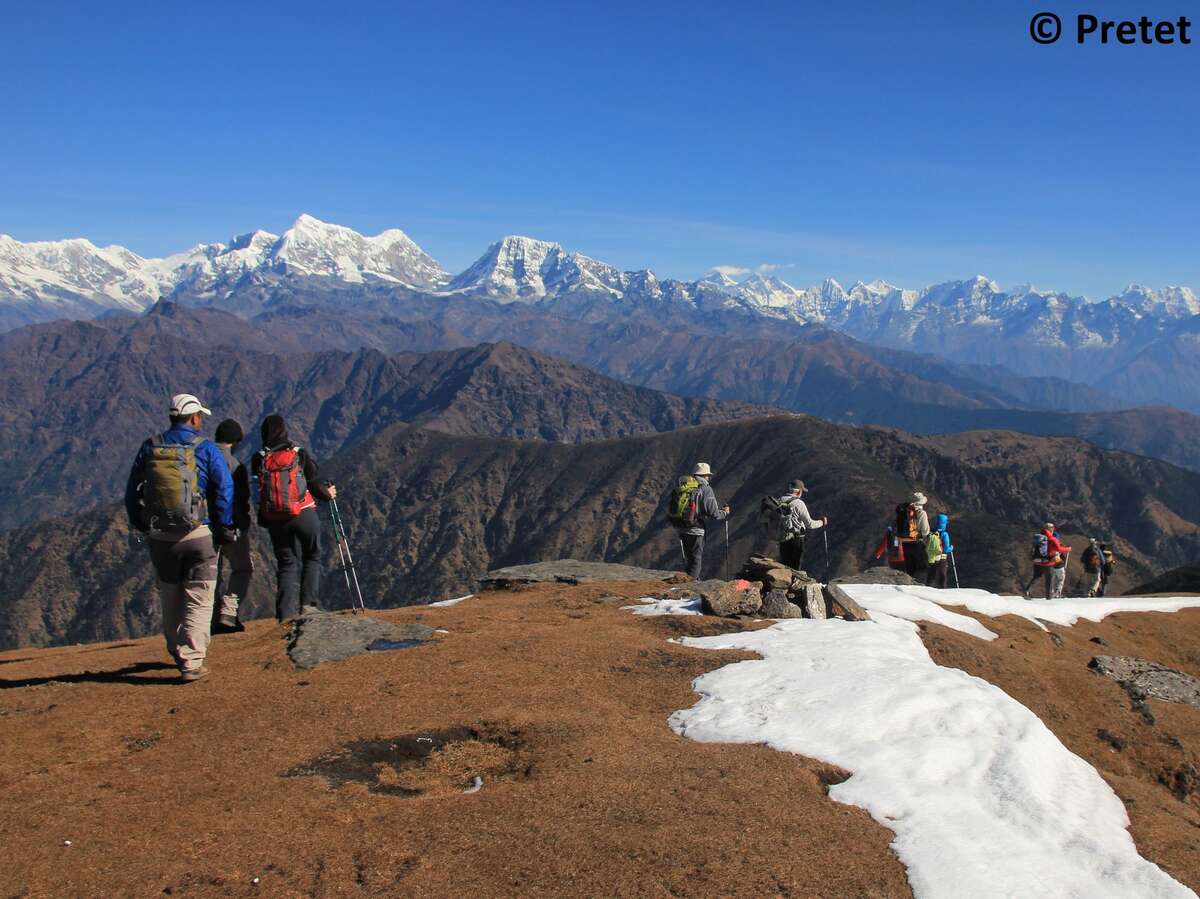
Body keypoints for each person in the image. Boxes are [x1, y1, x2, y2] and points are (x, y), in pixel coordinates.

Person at [124, 394, 236, 683]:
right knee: (199, 598)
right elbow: (224, 488)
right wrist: (224, 526)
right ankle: (192, 660)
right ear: (195, 418)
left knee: (170, 594)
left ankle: (177, 650)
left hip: (161, 537)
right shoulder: (206, 448)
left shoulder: (150, 447)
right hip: (199, 534)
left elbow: (131, 490)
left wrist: (142, 523)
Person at [252, 415, 336, 621]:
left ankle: (284, 614)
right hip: (304, 513)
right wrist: (329, 494)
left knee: (286, 563)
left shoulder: (259, 458)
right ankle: (308, 605)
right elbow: (315, 483)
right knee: (312, 556)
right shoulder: (298, 454)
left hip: (275, 519)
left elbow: (257, 492)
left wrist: (262, 517)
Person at [211, 419, 254, 633]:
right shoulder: (235, 465)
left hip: (202, 527)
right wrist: (242, 524)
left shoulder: (201, 457)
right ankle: (228, 613)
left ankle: (210, 615)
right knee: (243, 567)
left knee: (212, 574)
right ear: (236, 441)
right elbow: (241, 499)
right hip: (230, 527)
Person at [672, 462, 729, 580]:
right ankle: (690, 587)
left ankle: (689, 581)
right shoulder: (705, 489)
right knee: (696, 561)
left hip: (682, 527)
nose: (709, 477)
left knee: (690, 559)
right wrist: (724, 513)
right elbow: (714, 513)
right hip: (696, 529)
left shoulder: (685, 486)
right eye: (708, 475)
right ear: (705, 475)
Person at [776, 480, 827, 571]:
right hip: (796, 539)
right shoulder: (799, 503)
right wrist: (822, 522)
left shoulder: (780, 500)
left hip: (783, 538)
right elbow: (810, 524)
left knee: (784, 565)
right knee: (795, 568)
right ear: (799, 491)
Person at [1024, 522, 1071, 599]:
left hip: (1037, 561)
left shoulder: (1038, 537)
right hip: (1048, 563)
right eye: (1052, 528)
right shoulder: (1052, 539)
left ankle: (1027, 591)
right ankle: (1049, 597)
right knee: (1049, 580)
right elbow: (1059, 549)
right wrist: (1068, 549)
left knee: (1036, 577)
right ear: (1050, 529)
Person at [897, 492, 932, 577]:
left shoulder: (905, 511)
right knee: (921, 569)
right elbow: (925, 532)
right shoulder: (921, 513)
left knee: (910, 569)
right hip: (917, 543)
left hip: (905, 544)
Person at [924, 513, 954, 588]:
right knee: (942, 576)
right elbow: (946, 549)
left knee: (931, 575)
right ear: (945, 523)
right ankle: (942, 590)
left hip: (932, 557)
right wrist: (951, 548)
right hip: (942, 558)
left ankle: (928, 588)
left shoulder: (932, 533)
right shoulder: (944, 534)